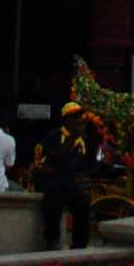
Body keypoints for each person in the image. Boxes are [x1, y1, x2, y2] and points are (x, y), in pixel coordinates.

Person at [36, 101, 95, 252]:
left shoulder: (84, 138)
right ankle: (52, 241)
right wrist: (72, 139)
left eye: (80, 116)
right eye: (75, 117)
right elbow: (53, 159)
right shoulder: (53, 135)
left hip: (73, 180)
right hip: (54, 178)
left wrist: (85, 177)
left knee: (83, 204)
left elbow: (86, 161)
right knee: (54, 200)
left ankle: (79, 245)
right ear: (66, 119)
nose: (79, 120)